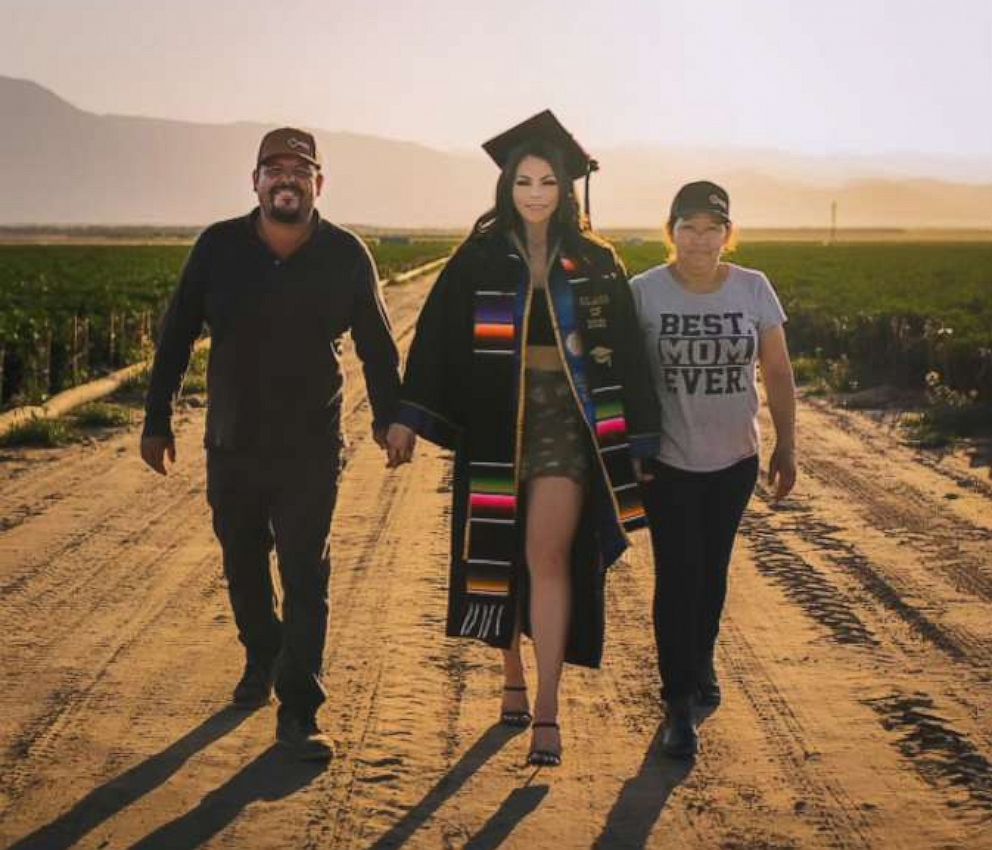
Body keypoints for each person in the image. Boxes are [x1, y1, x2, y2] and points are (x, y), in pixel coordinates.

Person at [386, 111, 660, 767]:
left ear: (566, 188)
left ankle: (546, 708)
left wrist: (641, 443)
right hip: (494, 425)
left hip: (566, 423)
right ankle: (510, 672)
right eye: (524, 182)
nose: (536, 193)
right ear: (507, 187)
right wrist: (408, 415)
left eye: (548, 181)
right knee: (500, 556)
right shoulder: (478, 258)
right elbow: (434, 344)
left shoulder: (595, 264)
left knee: (548, 556)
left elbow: (626, 353)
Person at [140, 127, 401, 761]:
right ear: (254, 181)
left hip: (311, 442)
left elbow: (377, 342)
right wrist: (156, 417)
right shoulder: (219, 247)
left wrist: (391, 418)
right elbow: (175, 335)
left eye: (299, 170)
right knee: (243, 560)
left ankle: (300, 711)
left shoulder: (345, 254)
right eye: (273, 169)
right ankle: (262, 652)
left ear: (319, 183)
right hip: (232, 437)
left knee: (306, 569)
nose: (286, 179)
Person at [629, 180, 797, 758]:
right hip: (668, 463)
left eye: (712, 228)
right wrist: (626, 448)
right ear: (670, 231)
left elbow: (776, 371)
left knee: (712, 571)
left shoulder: (753, 289)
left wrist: (787, 444)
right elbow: (623, 378)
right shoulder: (644, 293)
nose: (700, 239)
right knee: (677, 574)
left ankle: (701, 655)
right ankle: (678, 703)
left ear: (729, 233)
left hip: (734, 461)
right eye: (688, 227)